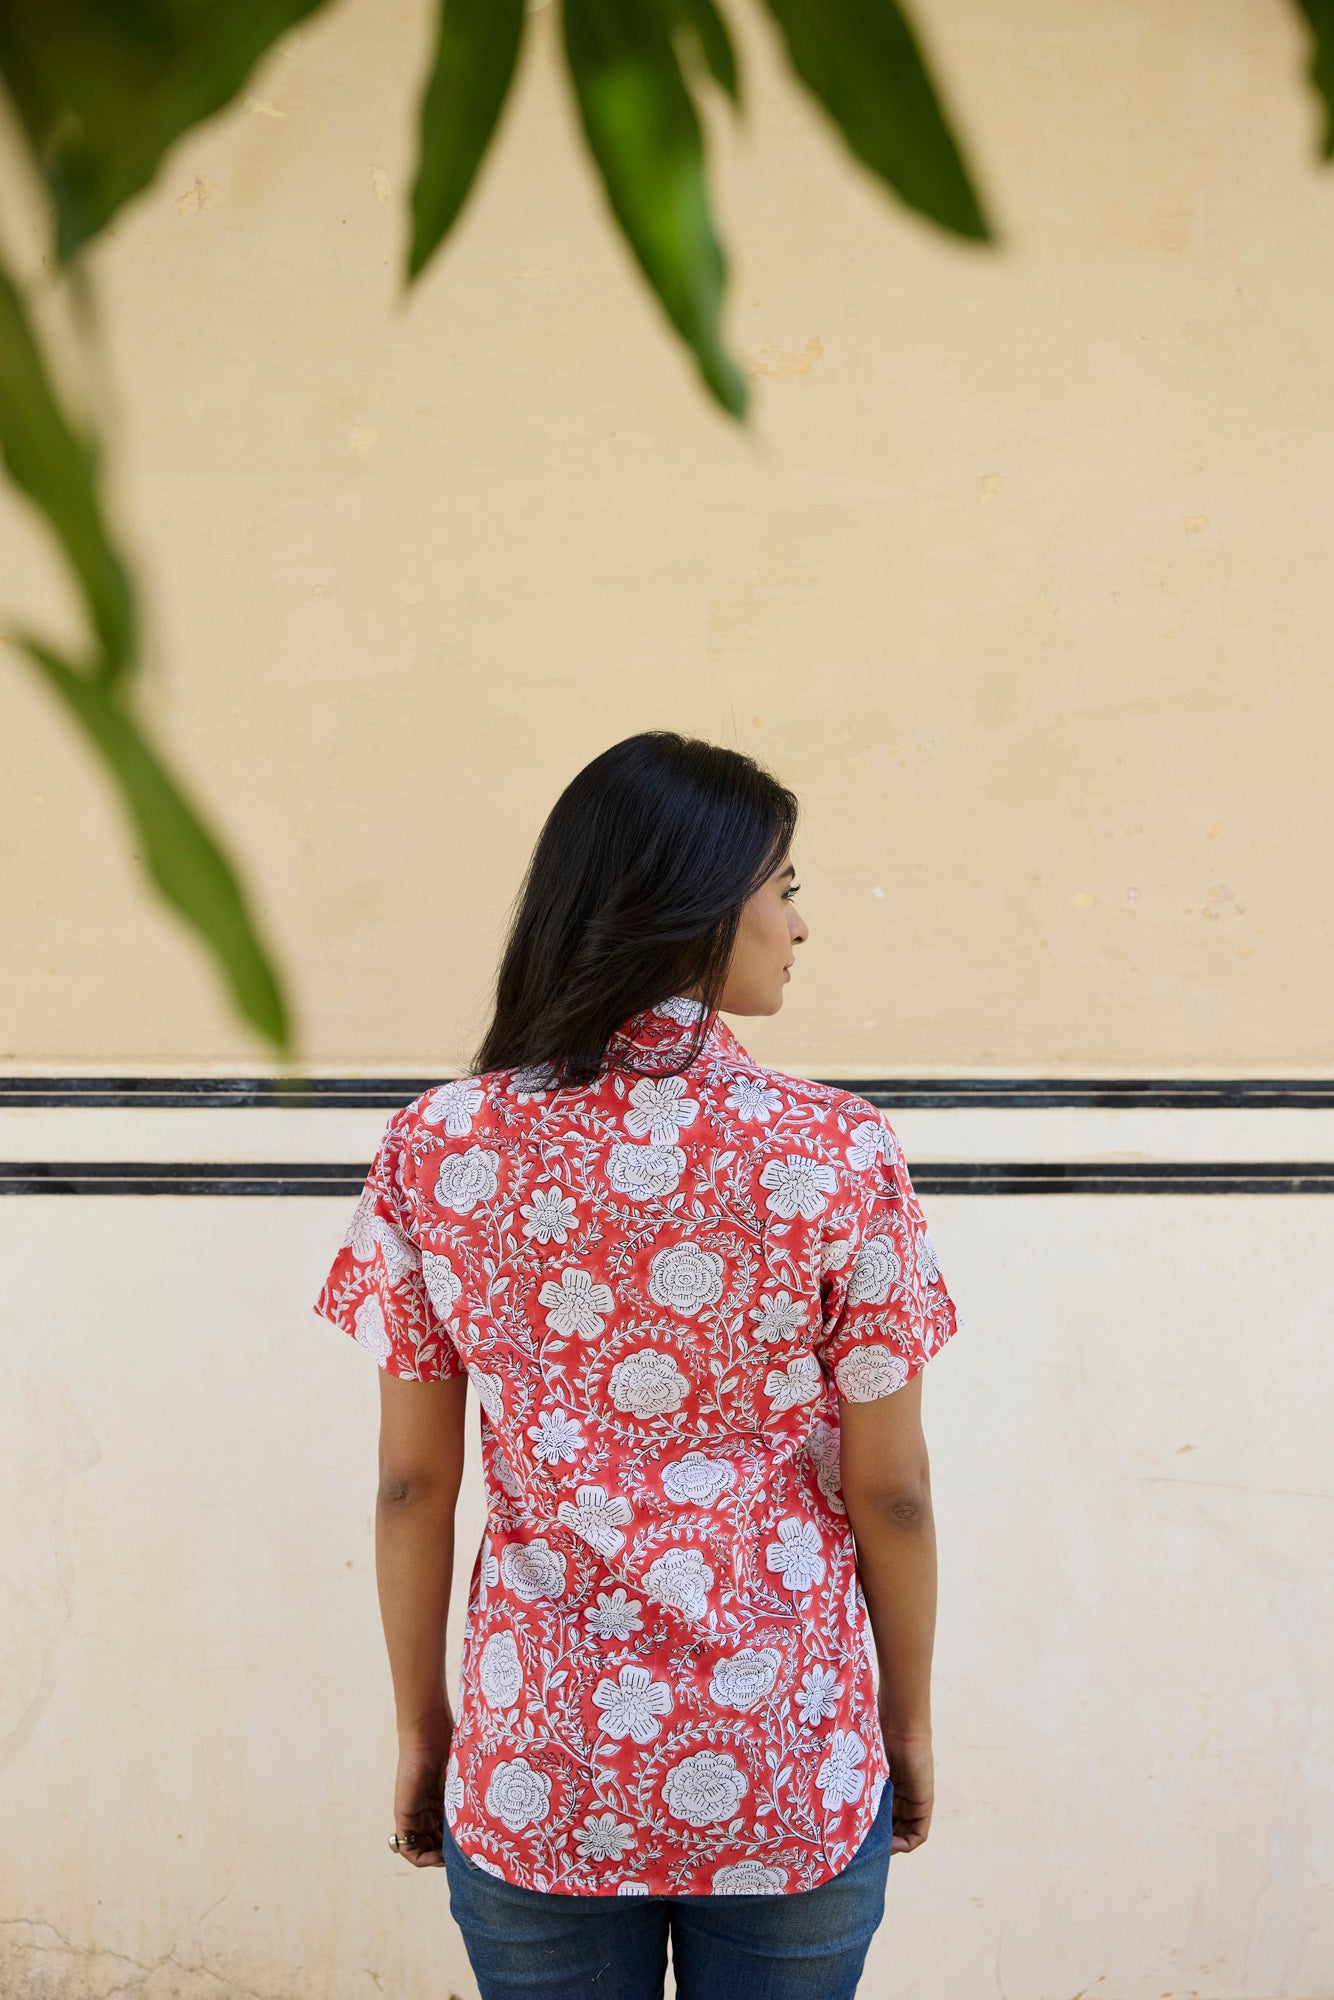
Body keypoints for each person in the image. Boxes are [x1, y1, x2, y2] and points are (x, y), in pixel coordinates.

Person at [314, 731, 959, 2000]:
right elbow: (892, 1492)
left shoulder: (439, 1146)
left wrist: (422, 1726)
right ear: (701, 904)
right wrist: (904, 1715)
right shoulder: (835, 1147)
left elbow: (409, 1485)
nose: (797, 925)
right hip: (785, 1759)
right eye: (783, 888)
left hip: (539, 1766)